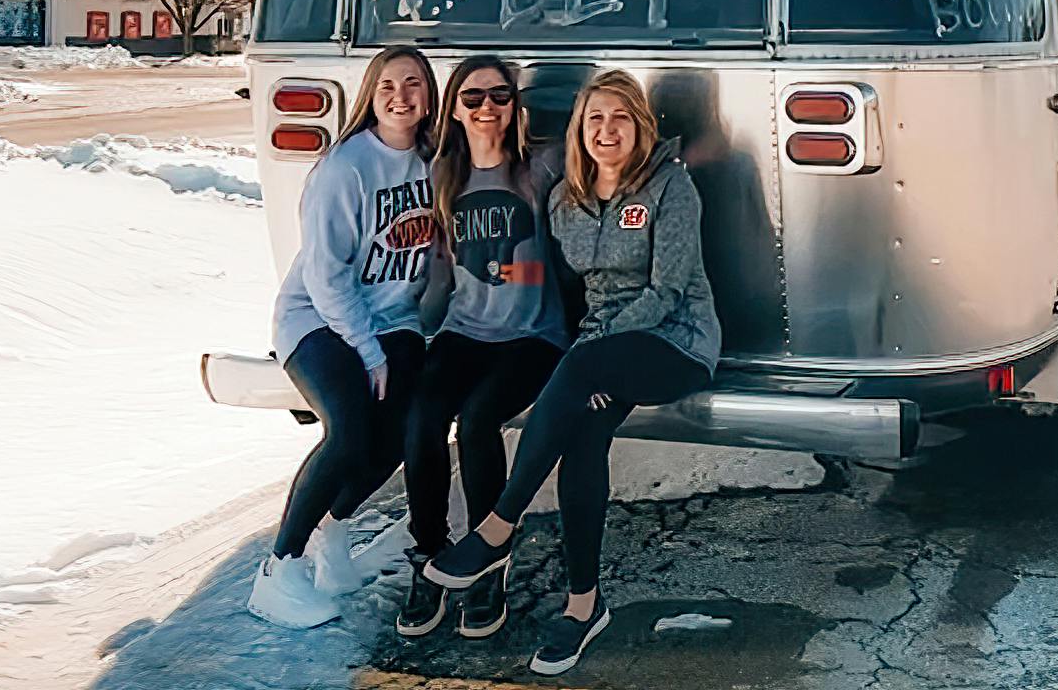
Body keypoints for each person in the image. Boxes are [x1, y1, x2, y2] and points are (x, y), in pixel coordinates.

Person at [422, 69, 719, 677]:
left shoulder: (671, 187)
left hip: (676, 342)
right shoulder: (564, 202)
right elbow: (563, 284)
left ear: (641, 126)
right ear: (579, 133)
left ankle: (498, 526)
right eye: (594, 120)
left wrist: (590, 348)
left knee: (580, 370)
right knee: (584, 439)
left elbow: (667, 291)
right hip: (600, 353)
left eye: (619, 118)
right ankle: (585, 606)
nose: (606, 131)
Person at [246, 47, 439, 630]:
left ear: (429, 94)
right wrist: (368, 351)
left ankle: (336, 542)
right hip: (318, 320)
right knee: (350, 430)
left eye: (412, 83)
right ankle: (280, 570)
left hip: (395, 321)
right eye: (386, 85)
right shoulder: (345, 168)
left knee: (404, 437)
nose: (400, 95)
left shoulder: (437, 162)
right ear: (370, 96)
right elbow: (326, 276)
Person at [396, 55, 567, 639]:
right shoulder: (445, 174)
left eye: (499, 96)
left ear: (514, 105)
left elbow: (543, 269)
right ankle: (429, 553)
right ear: (455, 111)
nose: (486, 108)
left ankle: (487, 559)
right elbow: (444, 276)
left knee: (477, 424)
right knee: (420, 421)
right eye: (472, 99)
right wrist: (412, 332)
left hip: (532, 337)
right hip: (464, 332)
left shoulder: (542, 167)